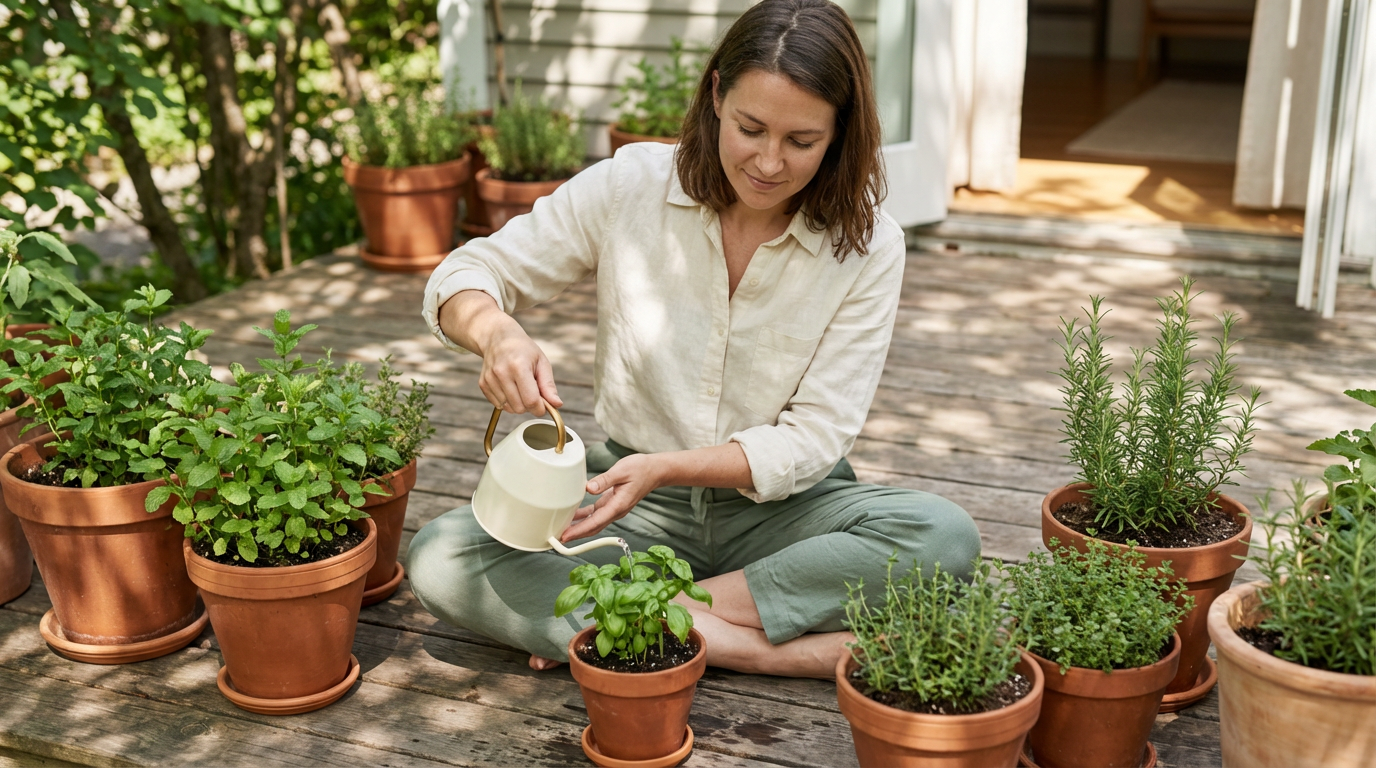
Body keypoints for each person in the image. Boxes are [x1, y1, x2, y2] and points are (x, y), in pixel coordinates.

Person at [409, 0, 981, 679]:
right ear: (716, 96)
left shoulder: (869, 244)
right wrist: (496, 332)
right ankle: (760, 647)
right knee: (442, 555)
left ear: (839, 133)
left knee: (943, 538)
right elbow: (467, 273)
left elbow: (814, 438)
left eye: (801, 141)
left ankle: (639, 620)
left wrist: (669, 467)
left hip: (782, 514)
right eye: (750, 128)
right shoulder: (631, 185)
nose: (769, 161)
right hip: (629, 507)